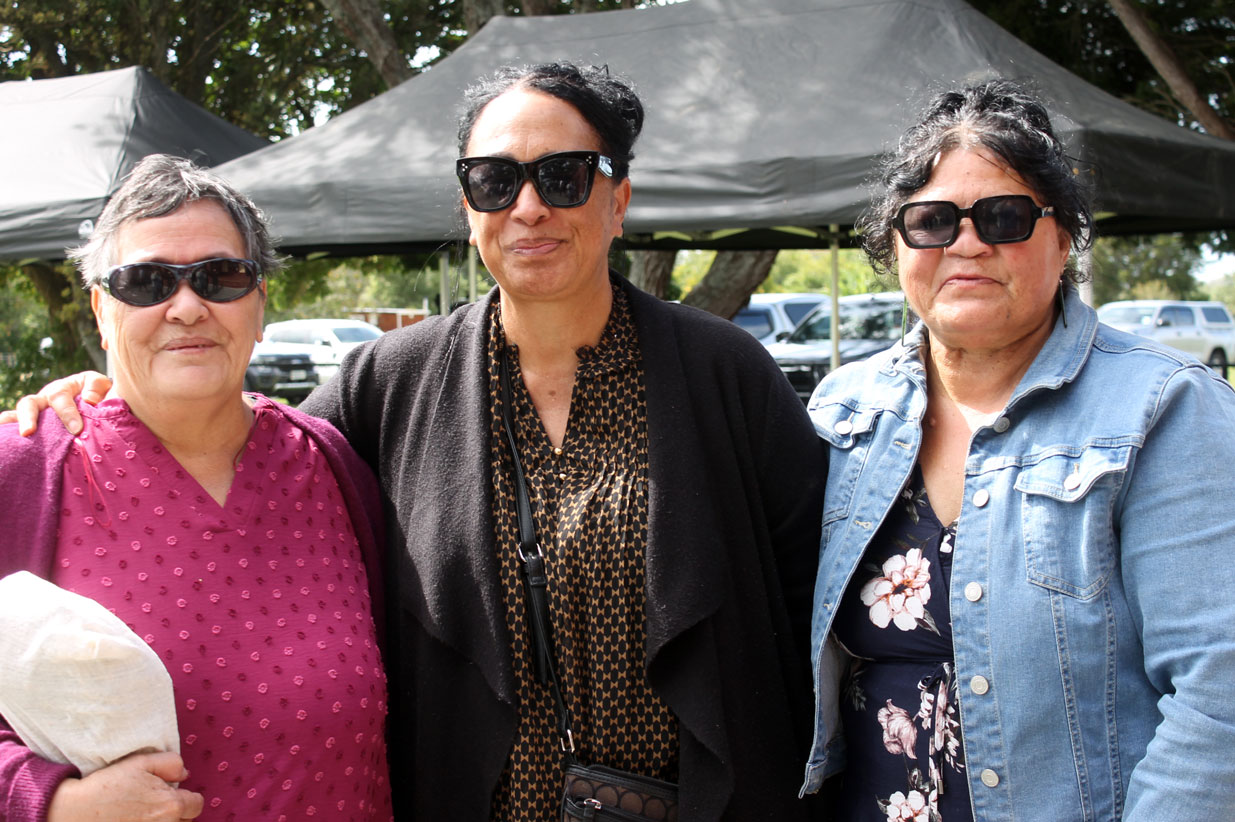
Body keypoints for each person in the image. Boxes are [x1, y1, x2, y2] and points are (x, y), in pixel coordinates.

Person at [12, 64, 826, 820]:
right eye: (495, 180)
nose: (528, 207)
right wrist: (112, 391)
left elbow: (813, 604)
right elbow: (232, 427)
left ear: (617, 200)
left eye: (564, 176)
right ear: (468, 209)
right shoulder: (391, 383)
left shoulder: (723, 373)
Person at [799, 79, 1235, 821]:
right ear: (895, 244)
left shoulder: (1164, 407)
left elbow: (1217, 691)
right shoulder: (844, 411)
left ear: (1063, 238)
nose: (966, 243)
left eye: (1004, 217)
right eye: (932, 221)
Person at [0, 155, 393, 822]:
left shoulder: (331, 466)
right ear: (101, 310)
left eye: (221, 276)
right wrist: (52, 802)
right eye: (145, 281)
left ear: (259, 303)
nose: (186, 306)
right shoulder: (25, 471)